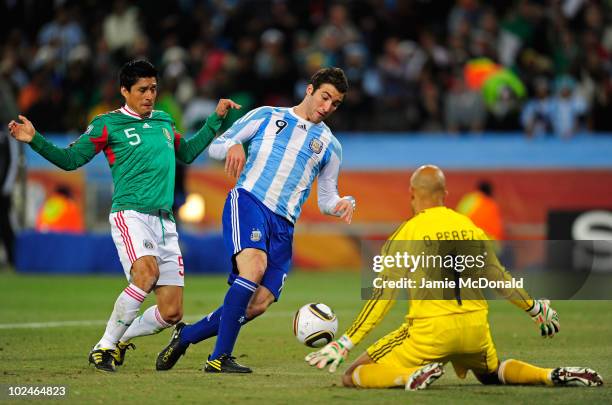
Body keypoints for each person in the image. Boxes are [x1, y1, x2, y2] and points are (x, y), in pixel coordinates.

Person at [8, 59, 240, 373]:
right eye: (142, 90)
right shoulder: (107, 124)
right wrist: (34, 139)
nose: (149, 96)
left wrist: (215, 119)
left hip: (164, 221)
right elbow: (70, 159)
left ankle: (115, 340)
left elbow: (186, 153)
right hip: (131, 214)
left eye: (154, 89)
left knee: (171, 312)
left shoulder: (163, 121)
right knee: (145, 275)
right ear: (125, 91)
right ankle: (104, 347)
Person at [305, 165, 603, 390]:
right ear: (445, 195)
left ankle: (412, 376)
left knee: (353, 374)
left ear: (411, 195)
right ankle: (548, 375)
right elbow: (498, 277)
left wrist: (345, 342)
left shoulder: (407, 233)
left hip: (431, 333)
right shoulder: (469, 226)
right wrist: (535, 308)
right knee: (491, 373)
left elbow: (384, 295)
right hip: (475, 329)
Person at [156, 67, 355, 373]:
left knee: (258, 303)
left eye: (336, 103)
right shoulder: (267, 115)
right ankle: (219, 358)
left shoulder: (330, 145)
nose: (327, 107)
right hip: (249, 202)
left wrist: (341, 202)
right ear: (310, 89)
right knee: (254, 268)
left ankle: (187, 336)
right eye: (325, 97)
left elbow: (327, 198)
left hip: (284, 227)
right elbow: (217, 145)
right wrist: (234, 144)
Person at [0, 129, 18, 268]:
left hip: (3, 191)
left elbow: (12, 163)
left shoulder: (6, 136)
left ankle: (12, 259)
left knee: (5, 224)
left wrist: (6, 187)